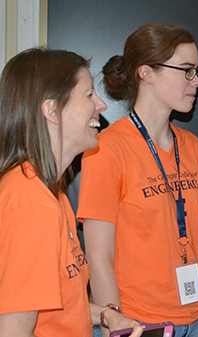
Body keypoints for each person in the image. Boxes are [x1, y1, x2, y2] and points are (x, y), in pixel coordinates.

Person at [76, 22, 198, 337]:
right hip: (139, 323)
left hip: (195, 317)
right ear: (146, 73)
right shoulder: (106, 148)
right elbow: (99, 257)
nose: (196, 82)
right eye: (187, 70)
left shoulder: (193, 147)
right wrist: (113, 327)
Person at [0, 48, 143, 336]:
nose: (101, 105)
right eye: (89, 94)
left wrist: (105, 314)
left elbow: (54, 304)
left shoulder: (52, 194)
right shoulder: (31, 206)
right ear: (51, 110)